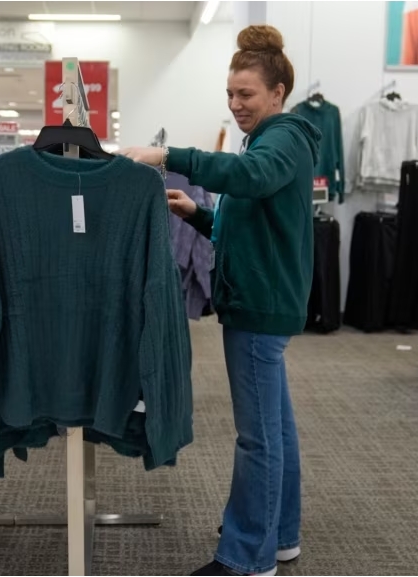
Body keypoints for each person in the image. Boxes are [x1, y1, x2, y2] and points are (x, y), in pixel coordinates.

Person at [120, 24, 321, 577]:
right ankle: (278, 536)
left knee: (257, 438)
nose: (235, 105)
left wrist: (167, 154)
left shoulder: (283, 138)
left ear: (278, 92)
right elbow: (252, 221)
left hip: (259, 307)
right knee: (275, 430)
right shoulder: (270, 139)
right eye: (230, 95)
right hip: (260, 300)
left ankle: (247, 558)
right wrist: (199, 214)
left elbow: (251, 178)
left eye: (246, 94)